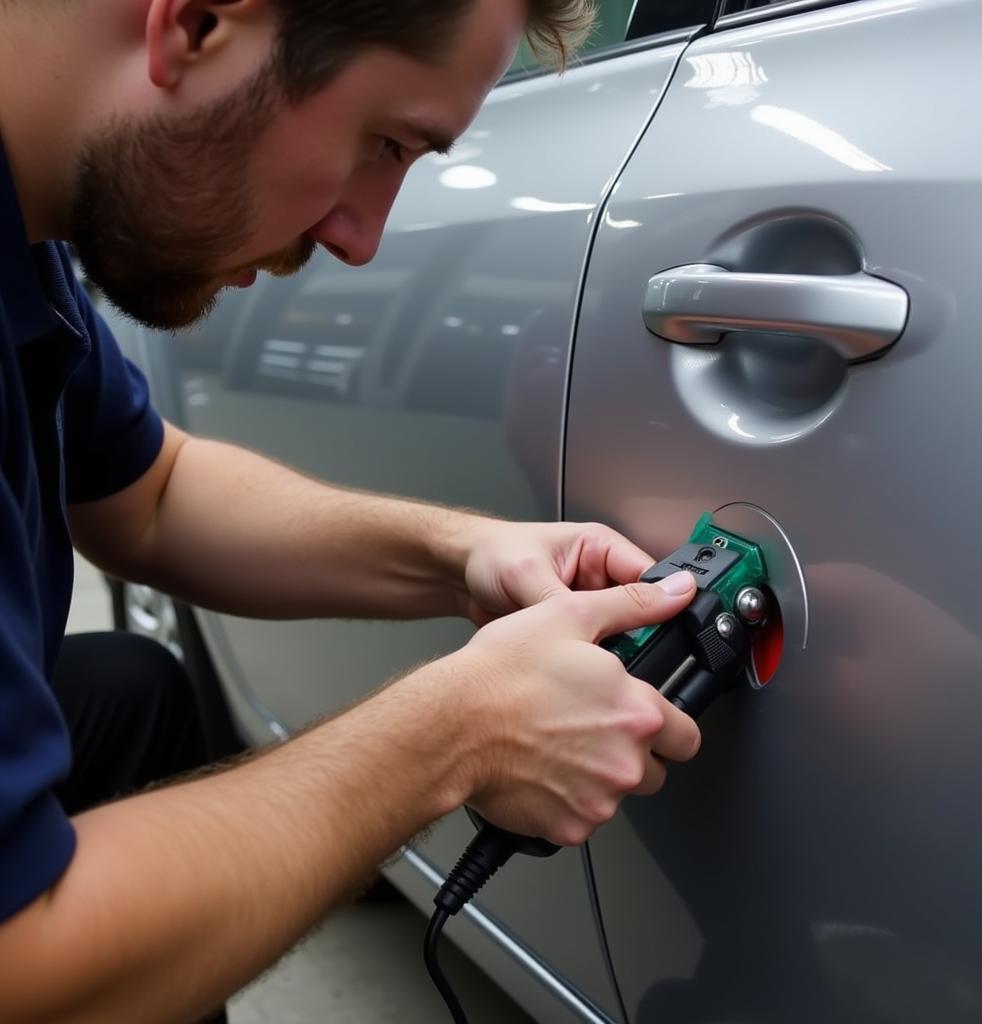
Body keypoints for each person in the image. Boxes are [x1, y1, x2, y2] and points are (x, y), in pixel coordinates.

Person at [0, 0, 702, 1020]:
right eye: (384, 142)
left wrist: (462, 552)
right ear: (194, 23)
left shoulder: (32, 228)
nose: (361, 238)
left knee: (128, 693)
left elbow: (148, 496)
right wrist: (453, 731)